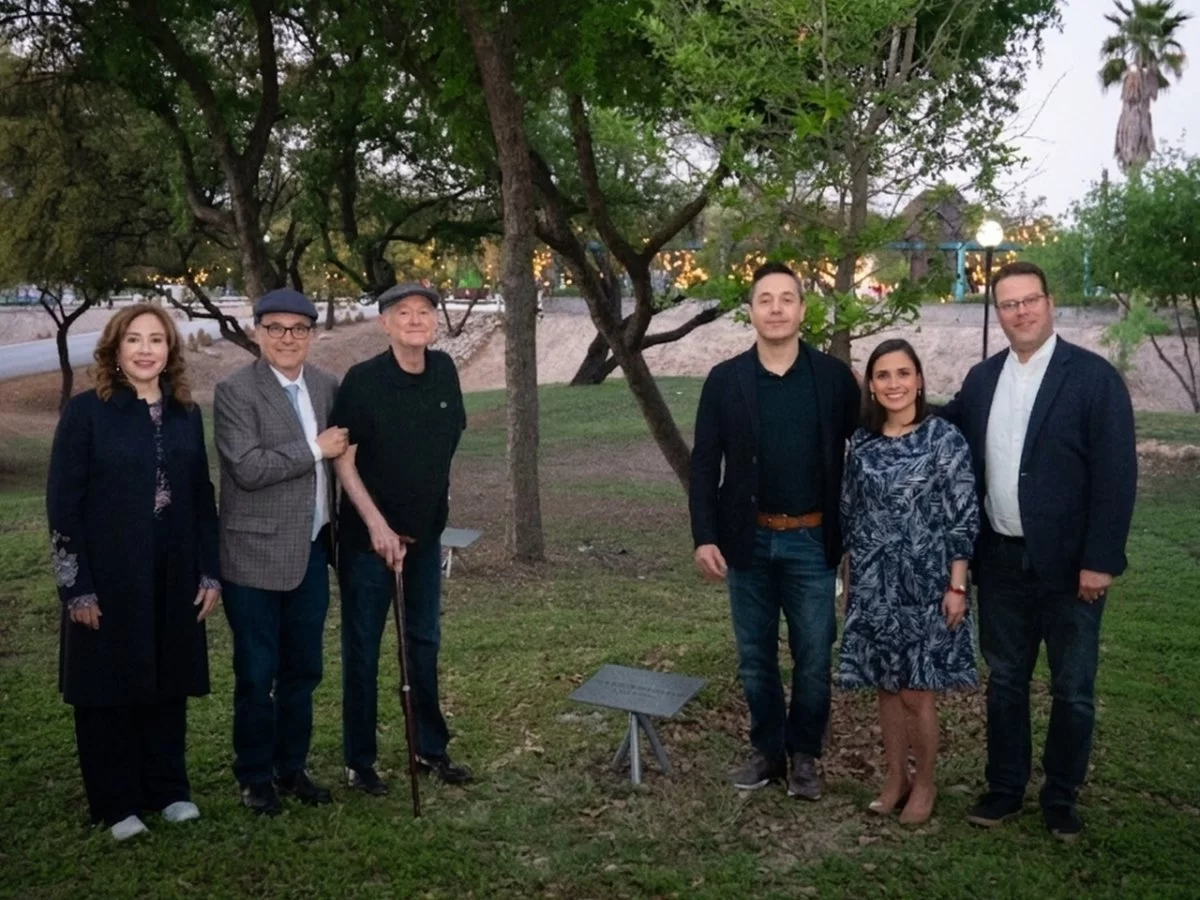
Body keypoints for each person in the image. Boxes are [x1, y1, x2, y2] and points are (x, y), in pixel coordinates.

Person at [941, 260, 1137, 842]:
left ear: (1050, 304)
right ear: (996, 312)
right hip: (999, 559)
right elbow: (946, 431)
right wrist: (888, 406)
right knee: (1005, 681)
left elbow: (1116, 475)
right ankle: (1004, 789)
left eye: (1030, 301)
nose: (1020, 312)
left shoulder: (1093, 379)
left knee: (1073, 688)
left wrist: (1100, 559)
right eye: (1008, 304)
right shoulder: (983, 379)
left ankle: (1060, 796)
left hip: (1072, 565)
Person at [46, 303, 220, 841]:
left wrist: (209, 572)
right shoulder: (87, 412)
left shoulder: (185, 412)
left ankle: (167, 790)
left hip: (173, 570)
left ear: (170, 351)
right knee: (108, 687)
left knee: (167, 682)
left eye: (157, 340)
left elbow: (200, 496)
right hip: (109, 574)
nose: (146, 350)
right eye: (135, 340)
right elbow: (62, 504)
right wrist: (77, 588)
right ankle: (116, 803)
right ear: (116, 350)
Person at [689, 261, 860, 799]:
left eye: (788, 298)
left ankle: (805, 754)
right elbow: (704, 464)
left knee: (813, 654)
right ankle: (767, 750)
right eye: (766, 299)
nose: (777, 308)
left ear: (803, 310)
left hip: (812, 540)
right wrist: (705, 534)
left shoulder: (833, 380)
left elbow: (876, 436)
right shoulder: (726, 381)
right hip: (748, 542)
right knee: (755, 654)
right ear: (752, 311)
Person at [331, 282, 472, 794]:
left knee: (424, 644)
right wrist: (377, 527)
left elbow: (447, 441)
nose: (415, 320)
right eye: (403, 313)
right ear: (384, 323)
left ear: (435, 322)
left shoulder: (445, 373)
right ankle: (360, 762)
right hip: (368, 542)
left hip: (424, 539)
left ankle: (428, 747)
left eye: (424, 312)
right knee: (364, 648)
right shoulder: (363, 382)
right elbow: (343, 461)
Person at [213, 288, 347, 816]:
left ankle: (291, 767)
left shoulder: (327, 385)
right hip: (252, 557)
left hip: (313, 550)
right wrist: (316, 448)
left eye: (298, 329)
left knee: (303, 670)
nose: (287, 338)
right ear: (258, 333)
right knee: (255, 672)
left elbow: (352, 459)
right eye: (276, 328)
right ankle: (254, 775)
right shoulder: (235, 391)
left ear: (312, 334)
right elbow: (246, 468)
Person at [838, 339, 979, 825]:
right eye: (883, 375)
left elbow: (963, 516)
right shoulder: (861, 445)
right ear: (871, 386)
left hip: (930, 582)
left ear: (919, 380)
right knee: (886, 686)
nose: (893, 384)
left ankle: (925, 784)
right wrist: (850, 585)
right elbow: (850, 515)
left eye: (903, 373)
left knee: (919, 691)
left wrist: (957, 585)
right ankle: (894, 777)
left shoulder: (945, 439)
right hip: (875, 583)